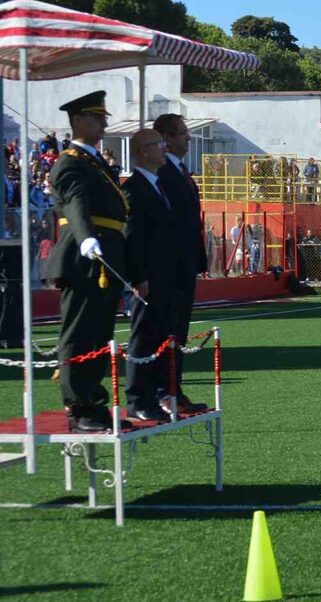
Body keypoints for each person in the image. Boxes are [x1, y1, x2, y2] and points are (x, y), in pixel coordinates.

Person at [44, 91, 128, 432]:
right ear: (79, 121)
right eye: (97, 117)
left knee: (99, 331)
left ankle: (93, 398)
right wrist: (86, 237)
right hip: (85, 255)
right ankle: (77, 406)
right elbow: (76, 202)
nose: (104, 122)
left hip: (106, 253)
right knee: (79, 332)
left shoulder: (94, 161)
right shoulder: (70, 161)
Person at [154, 113, 209, 413]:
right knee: (168, 331)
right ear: (166, 137)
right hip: (169, 266)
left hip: (184, 265)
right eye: (182, 133)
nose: (188, 138)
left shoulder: (179, 169)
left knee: (179, 331)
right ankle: (163, 391)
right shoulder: (161, 172)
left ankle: (174, 388)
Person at [123, 129, 175, 422]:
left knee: (157, 334)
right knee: (143, 336)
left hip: (163, 275)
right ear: (143, 150)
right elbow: (134, 237)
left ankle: (153, 394)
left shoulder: (156, 184)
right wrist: (139, 277)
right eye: (158, 143)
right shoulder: (136, 187)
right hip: (148, 278)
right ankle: (137, 398)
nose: (163, 147)